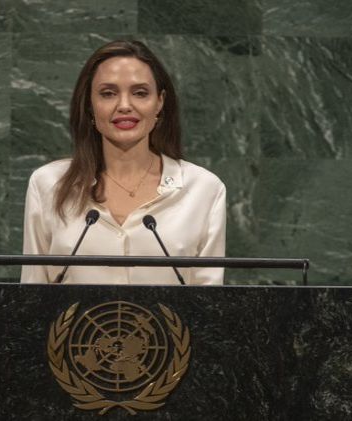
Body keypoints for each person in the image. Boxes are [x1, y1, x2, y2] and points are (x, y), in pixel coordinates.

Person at [20, 40, 226, 285]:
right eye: (108, 94)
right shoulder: (48, 184)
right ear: (90, 105)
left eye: (140, 93)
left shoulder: (204, 189)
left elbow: (210, 301)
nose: (125, 106)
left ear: (159, 102)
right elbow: (32, 293)